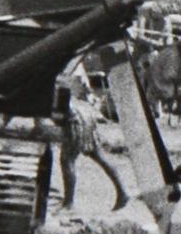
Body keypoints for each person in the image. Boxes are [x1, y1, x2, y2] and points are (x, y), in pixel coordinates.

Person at [53, 71, 128, 212]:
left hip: (73, 117)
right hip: (84, 113)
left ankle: (68, 203)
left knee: (67, 160)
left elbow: (59, 105)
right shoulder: (67, 72)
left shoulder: (54, 77)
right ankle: (123, 192)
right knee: (98, 156)